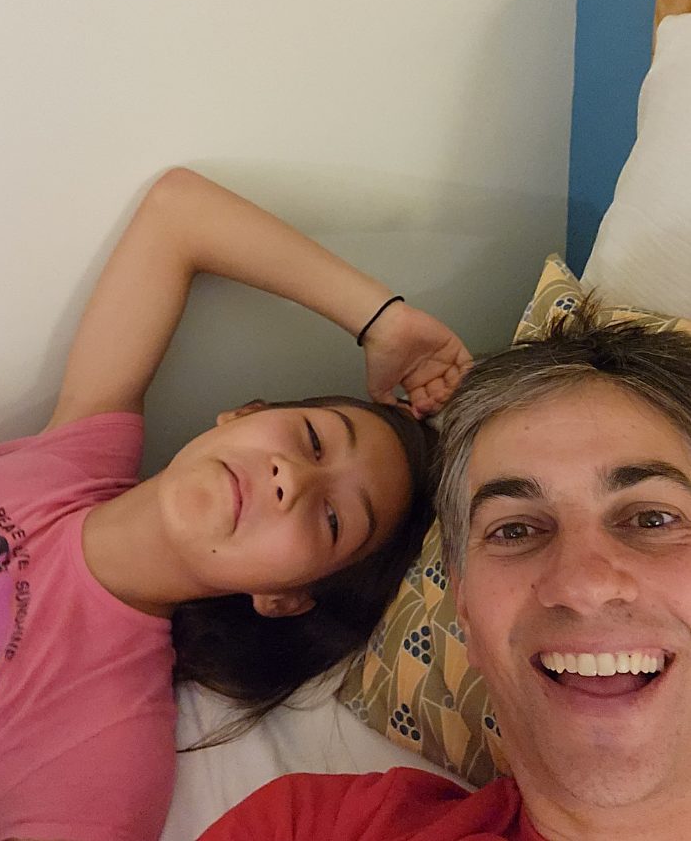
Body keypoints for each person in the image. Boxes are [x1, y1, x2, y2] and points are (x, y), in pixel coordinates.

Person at [0, 168, 470, 841]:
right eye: (311, 440)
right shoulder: (77, 455)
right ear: (241, 414)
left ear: (284, 598)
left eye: (333, 519)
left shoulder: (108, 756)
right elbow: (178, 212)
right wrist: (382, 322)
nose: (291, 480)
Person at [199, 303, 691, 841]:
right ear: (465, 611)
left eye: (654, 519)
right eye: (515, 530)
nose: (582, 586)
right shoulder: (314, 827)